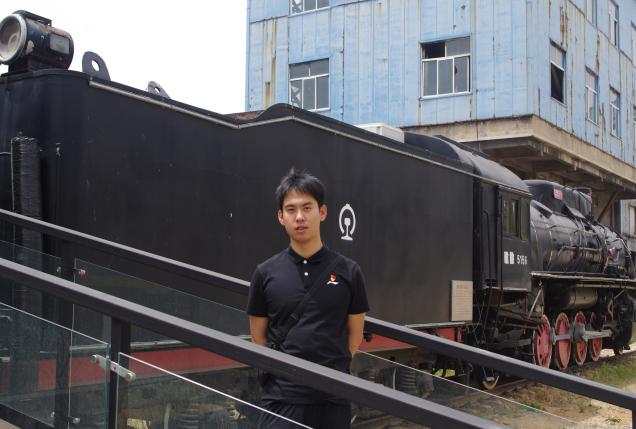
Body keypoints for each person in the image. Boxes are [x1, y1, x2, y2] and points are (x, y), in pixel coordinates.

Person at [246, 168, 369, 429]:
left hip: (334, 398)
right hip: (282, 399)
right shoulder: (265, 273)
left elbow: (355, 335)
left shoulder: (349, 271)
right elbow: (258, 337)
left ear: (322, 212)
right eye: (291, 210)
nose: (299, 217)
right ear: (281, 217)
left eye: (307, 208)